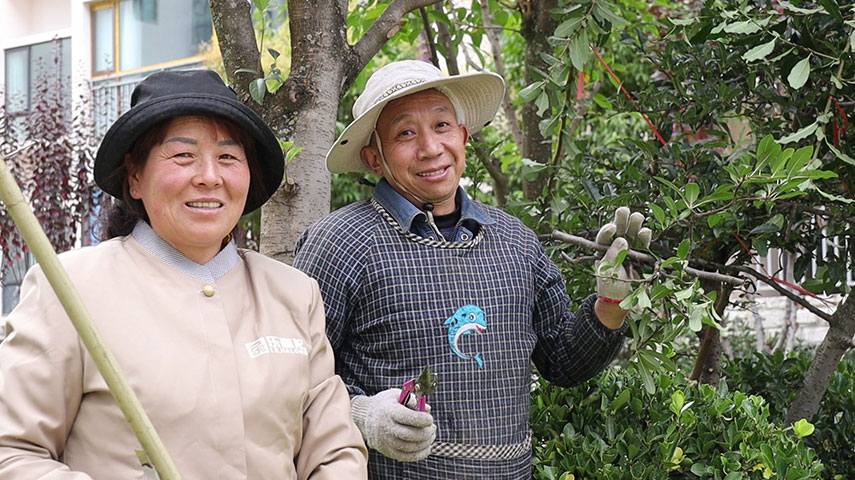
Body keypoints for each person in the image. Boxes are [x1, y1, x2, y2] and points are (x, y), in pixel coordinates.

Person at [292, 60, 652, 478]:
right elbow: (295, 378)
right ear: (374, 158)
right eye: (405, 133)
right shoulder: (340, 242)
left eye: (442, 125)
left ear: (463, 137)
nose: (431, 147)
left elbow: (563, 362)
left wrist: (610, 305)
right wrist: (362, 414)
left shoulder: (516, 241)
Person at [0, 69, 368, 479]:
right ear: (135, 177)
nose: (209, 176)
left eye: (228, 157)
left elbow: (335, 452)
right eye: (183, 156)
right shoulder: (70, 289)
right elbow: (12, 452)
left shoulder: (293, 294)